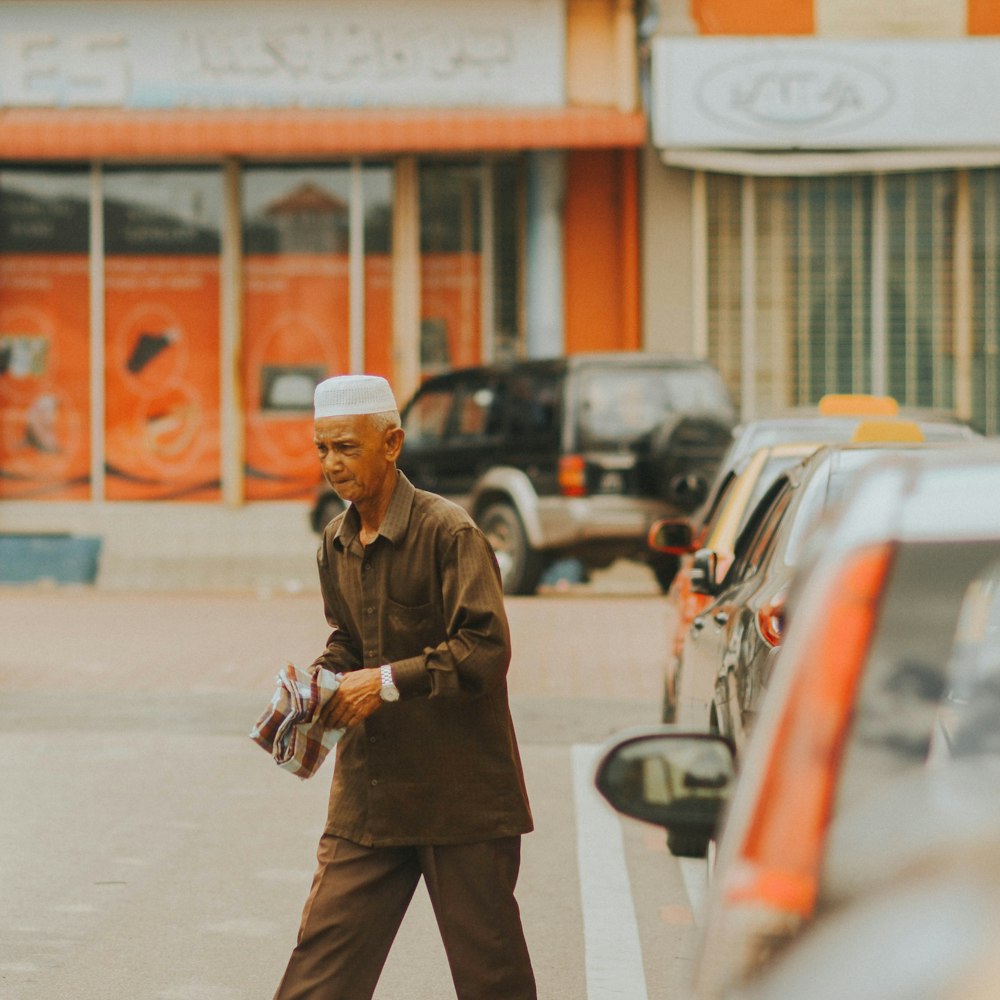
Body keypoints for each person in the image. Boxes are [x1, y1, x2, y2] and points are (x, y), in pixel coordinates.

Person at [272, 374, 536, 1000]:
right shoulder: (334, 545)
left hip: (462, 799)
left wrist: (385, 682)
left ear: (391, 443)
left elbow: (484, 650)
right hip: (370, 799)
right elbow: (350, 640)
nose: (332, 465)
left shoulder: (451, 532)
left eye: (346, 448)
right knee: (319, 975)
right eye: (321, 450)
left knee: (492, 981)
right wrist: (322, 679)